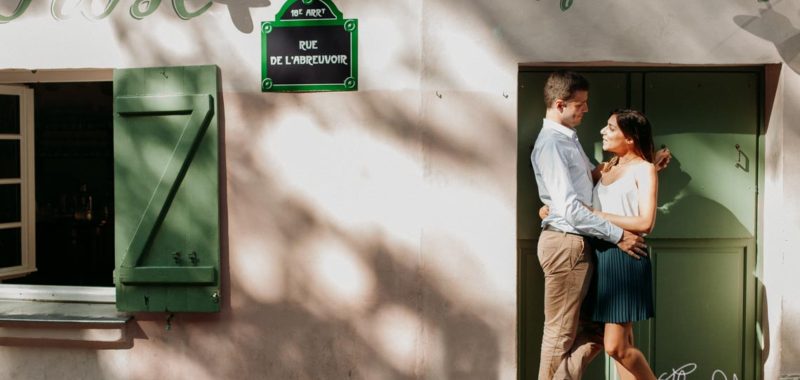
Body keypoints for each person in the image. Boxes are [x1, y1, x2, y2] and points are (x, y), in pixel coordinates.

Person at [531, 71, 652, 380]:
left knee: (602, 333)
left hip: (586, 246)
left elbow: (592, 182)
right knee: (559, 333)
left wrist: (644, 164)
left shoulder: (567, 140)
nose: (586, 110)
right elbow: (571, 207)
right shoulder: (552, 145)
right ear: (560, 104)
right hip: (568, 244)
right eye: (580, 104)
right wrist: (618, 235)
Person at [583, 109, 659, 380]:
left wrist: (600, 217)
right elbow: (573, 197)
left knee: (615, 347)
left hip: (626, 259)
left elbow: (646, 222)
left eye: (611, 128)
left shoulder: (645, 169)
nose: (603, 131)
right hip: (601, 257)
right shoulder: (605, 168)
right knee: (622, 345)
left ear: (630, 138)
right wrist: (549, 208)